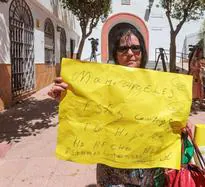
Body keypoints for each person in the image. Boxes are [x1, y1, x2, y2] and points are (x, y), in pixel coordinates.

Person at [48, 28, 163, 186]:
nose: (130, 53)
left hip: (147, 172)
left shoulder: (158, 86)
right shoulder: (101, 83)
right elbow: (86, 112)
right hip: (112, 173)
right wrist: (66, 99)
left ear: (142, 52)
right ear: (115, 54)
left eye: (135, 48)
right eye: (123, 48)